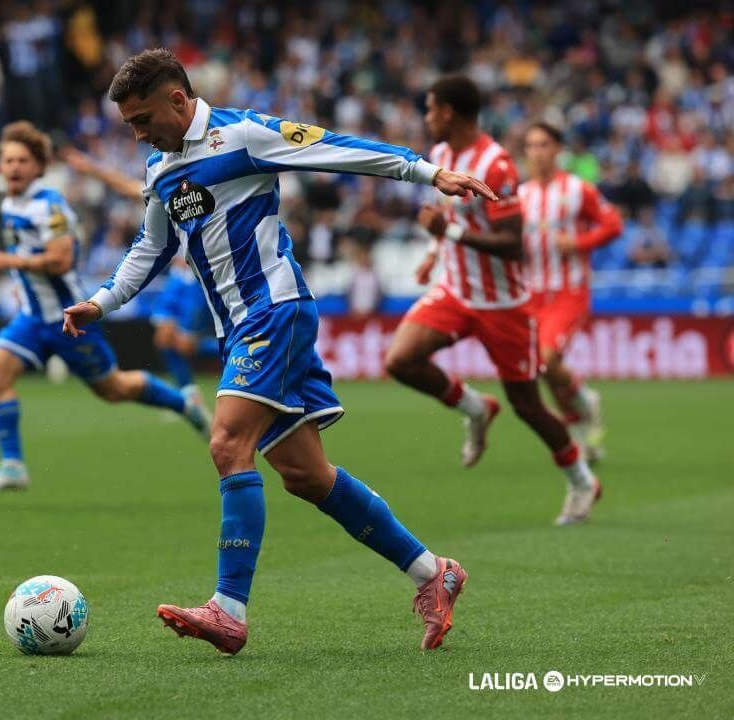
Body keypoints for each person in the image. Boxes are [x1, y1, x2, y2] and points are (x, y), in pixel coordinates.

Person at [63, 49, 495, 655]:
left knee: (226, 444)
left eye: (141, 119)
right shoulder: (160, 170)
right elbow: (150, 248)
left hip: (275, 311)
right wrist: (100, 302)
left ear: (179, 101)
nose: (135, 133)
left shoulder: (243, 135)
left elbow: (335, 147)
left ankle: (228, 610)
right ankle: (434, 573)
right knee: (305, 475)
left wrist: (427, 173)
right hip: (238, 328)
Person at [384, 75, 601, 527]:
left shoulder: (497, 164)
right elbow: (447, 217)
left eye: (430, 110)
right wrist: (432, 253)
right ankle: (475, 408)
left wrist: (451, 235)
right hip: (456, 291)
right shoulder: (443, 157)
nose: (426, 119)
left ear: (448, 112)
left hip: (503, 305)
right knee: (400, 360)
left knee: (528, 405)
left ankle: (583, 481)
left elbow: (512, 243)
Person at [0, 121, 211, 495]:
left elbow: (61, 260)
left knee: (113, 389)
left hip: (70, 318)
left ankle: (184, 404)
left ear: (39, 166)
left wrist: (9, 263)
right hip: (32, 318)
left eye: (22, 160)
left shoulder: (50, 206)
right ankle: (13, 465)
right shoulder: (9, 204)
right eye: (8, 160)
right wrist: (21, 284)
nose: (13, 167)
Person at [64, 147, 212, 393]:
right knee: (163, 338)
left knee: (186, 345)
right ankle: (189, 394)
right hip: (176, 277)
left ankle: (252, 345)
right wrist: (91, 169)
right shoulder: (164, 185)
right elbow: (127, 186)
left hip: (197, 279)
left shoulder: (208, 187)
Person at [520, 122, 623, 461]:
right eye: (531, 146)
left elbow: (613, 224)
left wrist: (578, 242)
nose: (537, 152)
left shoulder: (578, 190)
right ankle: (580, 427)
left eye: (543, 145)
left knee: (546, 360)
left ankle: (584, 402)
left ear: (557, 150)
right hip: (532, 294)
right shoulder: (522, 196)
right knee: (542, 368)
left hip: (568, 291)